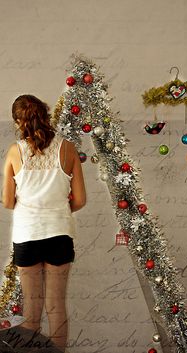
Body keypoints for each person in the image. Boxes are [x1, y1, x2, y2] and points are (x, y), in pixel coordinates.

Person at [1, 94, 86, 353]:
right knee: (56, 304)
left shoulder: (15, 151)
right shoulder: (68, 148)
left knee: (32, 309)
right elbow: (80, 200)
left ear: (19, 121)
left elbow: (7, 201)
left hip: (27, 235)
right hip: (59, 233)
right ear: (45, 115)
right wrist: (58, 210)